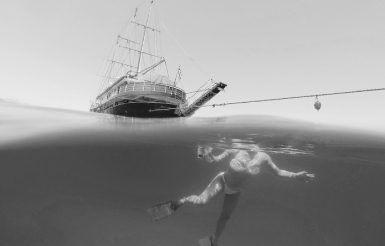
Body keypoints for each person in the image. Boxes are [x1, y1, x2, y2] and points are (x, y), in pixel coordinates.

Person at [173, 143, 315, 246]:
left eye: (256, 145)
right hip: (222, 180)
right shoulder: (235, 148)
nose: (252, 147)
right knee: (201, 202)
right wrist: (206, 153)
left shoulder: (263, 157)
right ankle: (183, 200)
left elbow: (278, 172)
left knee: (225, 217)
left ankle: (213, 241)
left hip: (235, 191)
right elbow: (214, 160)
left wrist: (295, 175)